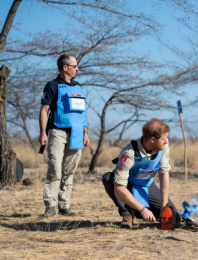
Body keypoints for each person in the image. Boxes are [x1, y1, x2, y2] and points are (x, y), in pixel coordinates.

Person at [102, 119, 180, 229]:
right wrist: (143, 209)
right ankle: (127, 214)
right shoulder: (129, 153)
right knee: (108, 177)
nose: (166, 141)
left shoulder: (163, 147)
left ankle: (139, 211)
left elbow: (164, 174)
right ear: (153, 139)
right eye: (163, 139)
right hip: (127, 185)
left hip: (146, 185)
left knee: (174, 217)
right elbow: (119, 188)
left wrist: (164, 206)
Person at [39, 54, 90, 217]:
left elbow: (82, 113)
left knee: (69, 171)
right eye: (74, 66)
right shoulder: (52, 85)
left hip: (76, 133)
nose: (77, 69)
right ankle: (50, 206)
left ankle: (64, 206)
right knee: (55, 169)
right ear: (64, 67)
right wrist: (42, 133)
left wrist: (85, 133)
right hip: (57, 131)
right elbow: (44, 110)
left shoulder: (78, 87)